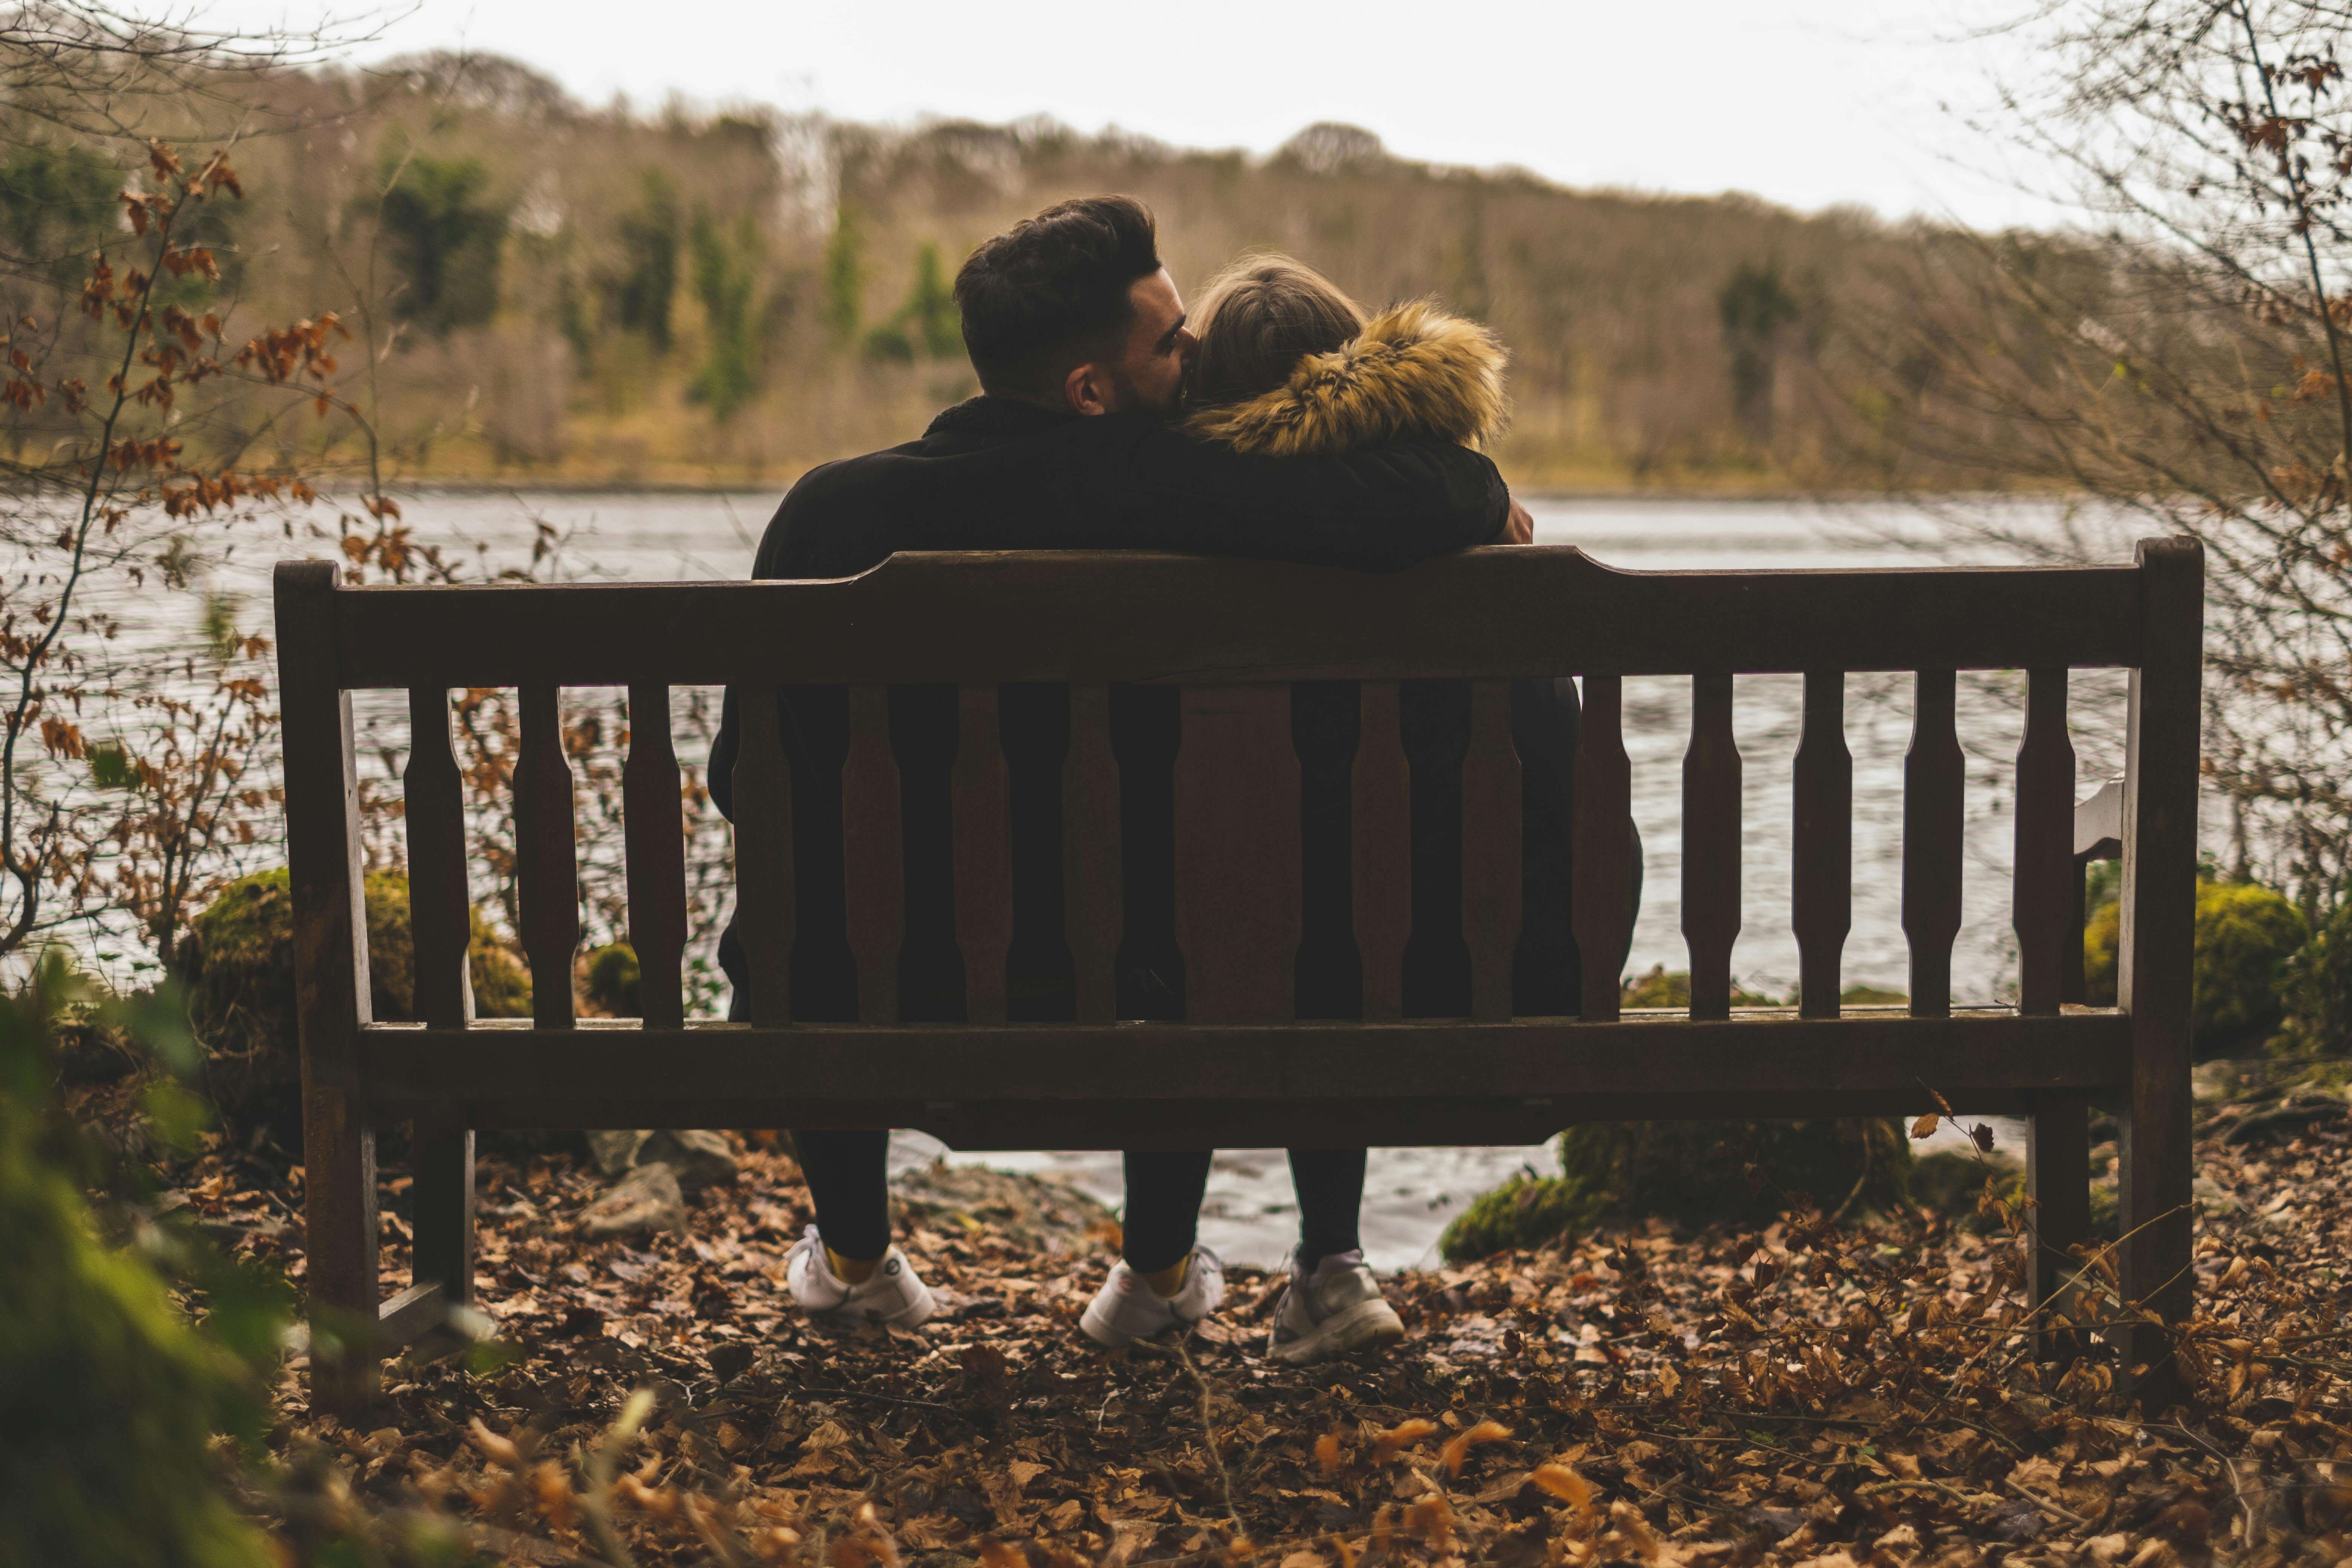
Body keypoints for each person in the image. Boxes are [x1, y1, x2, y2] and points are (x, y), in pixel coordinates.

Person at [707, 197, 1526, 1340]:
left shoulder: (827, 512)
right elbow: (1422, 492)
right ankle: (1197, 1268)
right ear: (1092, 393)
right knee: (1188, 894)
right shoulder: (1164, 488)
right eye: (1170, 339)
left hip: (858, 979)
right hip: (1135, 977)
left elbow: (738, 778)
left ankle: (852, 1258)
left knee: (822, 906)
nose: (1194, 355)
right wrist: (1485, 492)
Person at [1072, 256, 1594, 1364]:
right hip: (1471, 980)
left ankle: (1157, 1268)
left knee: (1221, 902)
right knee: (1349, 898)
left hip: (1179, 979)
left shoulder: (1148, 539)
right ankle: (1334, 1262)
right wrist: (1477, 492)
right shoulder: (1470, 547)